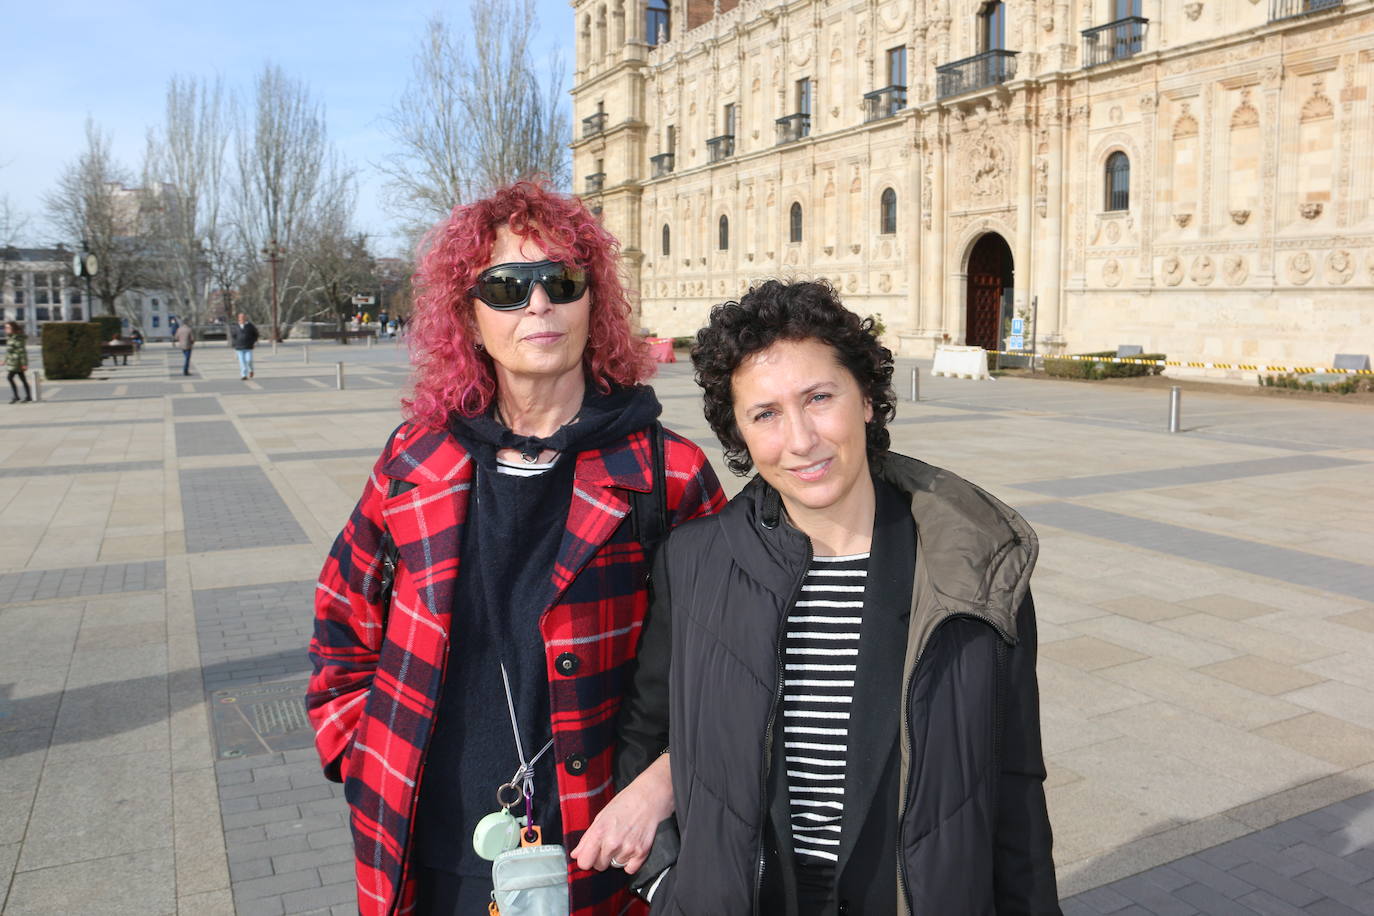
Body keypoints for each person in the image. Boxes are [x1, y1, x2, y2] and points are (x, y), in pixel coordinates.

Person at [306, 180, 725, 916]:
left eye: (560, 281)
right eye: (505, 285)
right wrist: (360, 752)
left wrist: (663, 785)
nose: (537, 304)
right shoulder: (415, 461)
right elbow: (342, 613)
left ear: (593, 304)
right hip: (421, 842)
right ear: (468, 316)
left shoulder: (666, 473)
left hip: (597, 848)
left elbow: (732, 667)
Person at [616, 280, 1060, 915]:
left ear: (868, 400)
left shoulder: (973, 567)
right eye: (764, 414)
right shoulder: (694, 563)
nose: (800, 439)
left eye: (819, 398)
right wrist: (671, 883)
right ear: (738, 433)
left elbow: (1015, 784)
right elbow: (647, 731)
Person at [5, 322, 31, 403]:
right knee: (22, 379)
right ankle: (26, 396)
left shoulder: (18, 339)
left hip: (17, 363)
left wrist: (24, 364)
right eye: (6, 328)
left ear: (13, 329)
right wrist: (5, 360)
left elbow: (22, 352)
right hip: (13, 362)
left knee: (10, 377)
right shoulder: (11, 338)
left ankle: (17, 397)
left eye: (8, 328)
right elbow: (9, 352)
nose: (6, 330)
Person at [232, 312, 260, 379]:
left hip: (248, 347)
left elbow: (255, 334)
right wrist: (234, 344)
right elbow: (233, 336)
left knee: (249, 360)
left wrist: (253, 342)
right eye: (240, 317)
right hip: (239, 347)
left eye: (243, 317)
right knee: (242, 362)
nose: (242, 319)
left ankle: (251, 370)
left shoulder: (250, 325)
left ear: (245, 318)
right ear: (238, 318)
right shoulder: (236, 326)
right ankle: (243, 375)